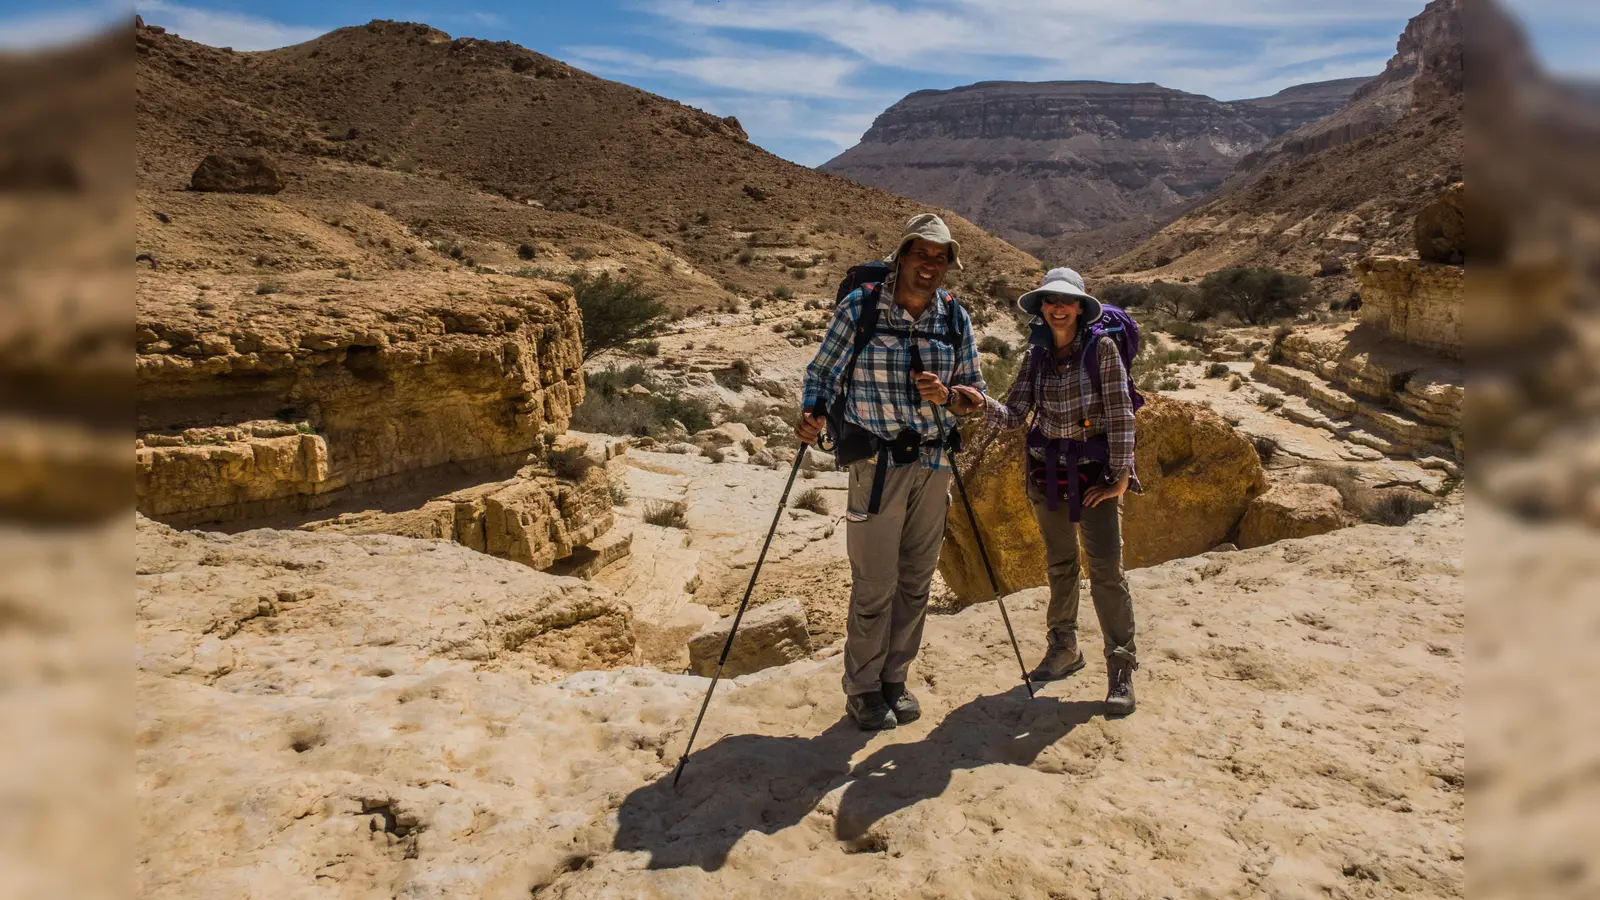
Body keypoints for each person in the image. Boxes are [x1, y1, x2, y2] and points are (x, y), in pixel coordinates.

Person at [796, 213, 986, 730]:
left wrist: (950, 396)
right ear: (901, 256)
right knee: (875, 582)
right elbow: (822, 373)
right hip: (877, 465)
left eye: (940, 258)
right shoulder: (861, 308)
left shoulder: (954, 317)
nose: (929, 265)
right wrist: (812, 411)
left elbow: (976, 394)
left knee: (916, 581)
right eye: (921, 254)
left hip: (934, 463)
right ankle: (862, 688)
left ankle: (894, 679)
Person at [962, 267, 1141, 716]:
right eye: (1050, 301)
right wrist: (981, 403)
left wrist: (1120, 474)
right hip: (1047, 474)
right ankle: (1064, 649)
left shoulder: (1101, 349)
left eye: (1066, 301)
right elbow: (1015, 414)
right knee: (1061, 565)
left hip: (1095, 477)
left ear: (1080, 307)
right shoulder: (1037, 355)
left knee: (1106, 571)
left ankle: (1120, 668)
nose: (1058, 308)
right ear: (1042, 307)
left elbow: (1121, 412)